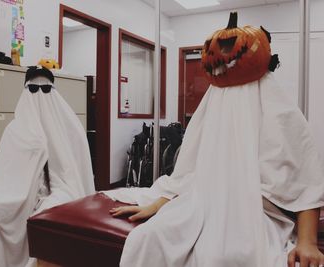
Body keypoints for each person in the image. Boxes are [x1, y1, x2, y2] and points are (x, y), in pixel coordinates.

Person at [104, 13, 324, 267]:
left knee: (227, 253)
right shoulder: (213, 106)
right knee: (147, 237)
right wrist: (160, 204)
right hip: (202, 205)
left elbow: (305, 184)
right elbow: (190, 173)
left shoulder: (282, 115)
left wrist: (307, 242)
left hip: (260, 213)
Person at [0, 67, 95, 267]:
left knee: (49, 215)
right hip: (17, 193)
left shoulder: (70, 129)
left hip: (61, 192)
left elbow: (77, 176)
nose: (39, 94)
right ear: (25, 91)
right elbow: (3, 176)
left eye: (46, 89)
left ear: (54, 91)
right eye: (33, 89)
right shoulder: (14, 131)